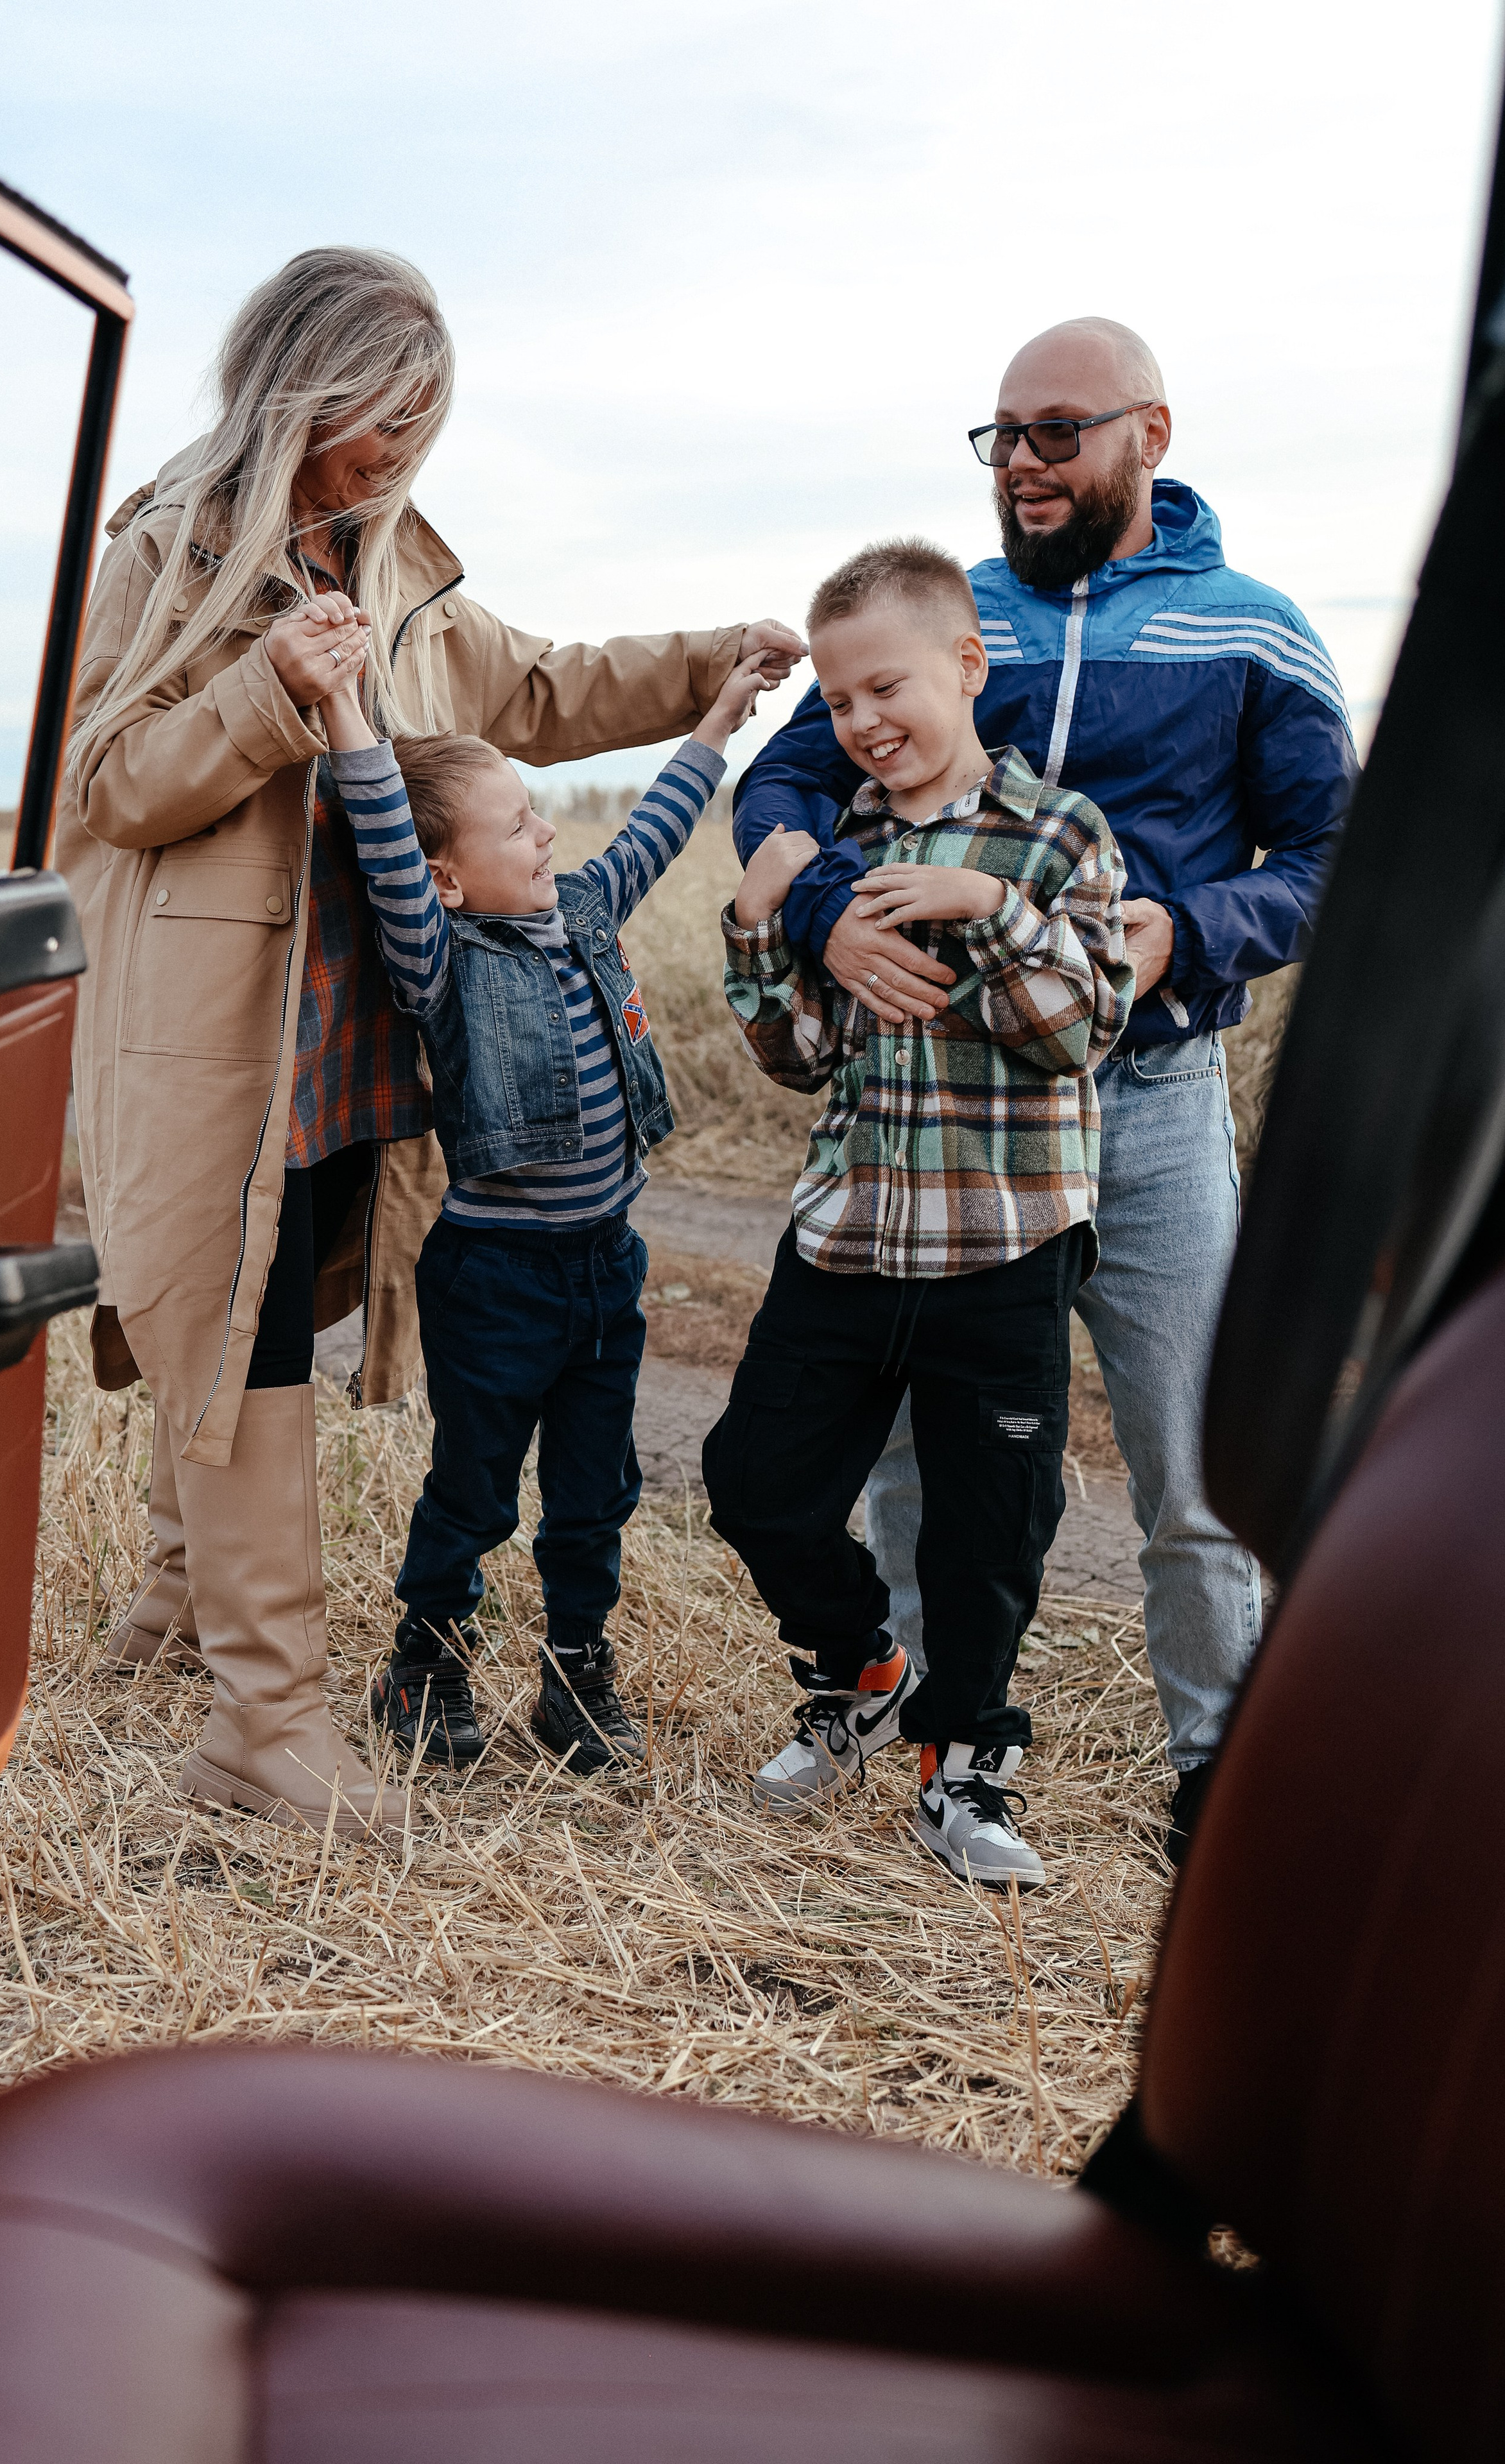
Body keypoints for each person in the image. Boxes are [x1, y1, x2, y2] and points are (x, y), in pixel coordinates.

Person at [58, 244, 802, 1840]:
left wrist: (712, 669)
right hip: (212, 1033)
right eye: (368, 414)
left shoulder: (397, 565)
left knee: (272, 1303)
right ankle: (269, 1728)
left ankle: (181, 1594)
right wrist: (266, 689)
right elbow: (111, 786)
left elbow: (534, 687)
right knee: (231, 1316)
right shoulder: (168, 550)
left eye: (419, 417)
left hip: (354, 1029)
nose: (393, 449)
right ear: (289, 388)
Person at [732, 320, 1355, 1862]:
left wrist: (1191, 929)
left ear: (1149, 431)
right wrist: (817, 919)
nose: (1017, 462)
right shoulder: (951, 625)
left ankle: (1214, 1767)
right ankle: (907, 1725)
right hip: (943, 1109)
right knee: (905, 1465)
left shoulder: (1253, 634)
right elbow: (789, 789)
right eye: (997, 435)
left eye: (1053, 432)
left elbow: (1337, 861)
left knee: (1188, 1466)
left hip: (1143, 1102)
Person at [702, 539, 1132, 1887]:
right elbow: (796, 1059)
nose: (862, 723)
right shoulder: (839, 851)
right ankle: (859, 1671)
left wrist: (988, 904)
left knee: (983, 1530)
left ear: (963, 663)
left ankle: (967, 1773)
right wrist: (756, 932)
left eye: (882, 687)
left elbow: (1080, 1034)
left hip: (1003, 1242)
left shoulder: (1056, 835)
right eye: (835, 705)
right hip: (846, 1231)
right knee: (753, 1486)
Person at [316, 642, 774, 1775]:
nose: (545, 836)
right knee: (474, 1490)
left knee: (594, 1492)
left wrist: (719, 716)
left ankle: (575, 1676)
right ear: (448, 878)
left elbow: (658, 827)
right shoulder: (440, 956)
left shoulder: (582, 910)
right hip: (496, 1277)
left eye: (538, 815)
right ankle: (424, 1662)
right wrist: (340, 706)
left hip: (604, 1264)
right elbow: (381, 834)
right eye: (517, 825)